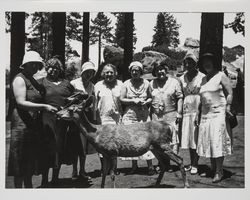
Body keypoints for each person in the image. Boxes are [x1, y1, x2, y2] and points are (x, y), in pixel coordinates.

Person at [8, 51, 58, 188]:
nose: (35, 67)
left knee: (29, 164)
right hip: (21, 126)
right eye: (32, 64)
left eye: (37, 64)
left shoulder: (33, 79)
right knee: (19, 165)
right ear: (25, 65)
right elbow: (21, 102)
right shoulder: (20, 79)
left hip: (33, 126)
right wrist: (44, 106)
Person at [197, 53, 233, 183]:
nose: (207, 64)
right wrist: (198, 113)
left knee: (217, 142)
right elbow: (201, 99)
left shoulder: (221, 76)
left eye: (209, 61)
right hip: (206, 115)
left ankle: (219, 171)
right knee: (209, 142)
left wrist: (228, 107)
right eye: (204, 62)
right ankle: (212, 168)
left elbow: (230, 93)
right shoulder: (204, 79)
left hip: (219, 114)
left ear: (214, 62)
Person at [39, 57, 74, 186]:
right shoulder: (42, 82)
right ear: (47, 68)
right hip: (47, 120)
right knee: (47, 148)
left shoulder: (66, 83)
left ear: (60, 70)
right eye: (50, 67)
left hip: (63, 121)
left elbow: (74, 97)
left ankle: (55, 178)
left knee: (59, 148)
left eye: (56, 68)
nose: (53, 70)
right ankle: (44, 180)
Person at [120, 61, 155, 175]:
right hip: (130, 115)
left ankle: (150, 166)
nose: (135, 72)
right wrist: (133, 101)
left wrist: (146, 102)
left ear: (141, 71)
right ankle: (134, 166)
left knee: (146, 140)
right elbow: (121, 99)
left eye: (137, 70)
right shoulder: (126, 83)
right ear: (130, 71)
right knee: (132, 141)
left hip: (143, 115)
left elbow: (151, 97)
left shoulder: (146, 83)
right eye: (133, 70)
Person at [149, 61, 183, 172]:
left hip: (170, 114)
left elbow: (180, 97)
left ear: (166, 70)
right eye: (157, 70)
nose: (160, 72)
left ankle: (173, 163)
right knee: (158, 140)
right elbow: (149, 98)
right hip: (156, 116)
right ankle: (162, 163)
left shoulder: (174, 82)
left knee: (170, 139)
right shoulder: (151, 84)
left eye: (162, 69)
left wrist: (179, 112)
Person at [70, 61, 97, 180]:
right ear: (82, 72)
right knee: (76, 144)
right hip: (75, 117)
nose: (89, 74)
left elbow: (93, 101)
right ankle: (74, 171)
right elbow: (69, 99)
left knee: (84, 144)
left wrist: (94, 117)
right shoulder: (73, 83)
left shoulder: (92, 85)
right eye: (87, 72)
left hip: (86, 116)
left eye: (91, 72)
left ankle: (82, 170)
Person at [179, 52, 205, 175]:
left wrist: (200, 111)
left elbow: (205, 94)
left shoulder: (202, 77)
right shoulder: (181, 78)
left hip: (198, 107)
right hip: (186, 109)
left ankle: (195, 164)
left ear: (196, 63)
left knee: (196, 137)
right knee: (189, 137)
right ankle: (191, 162)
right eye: (187, 62)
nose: (189, 65)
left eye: (191, 62)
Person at [95, 64, 123, 174]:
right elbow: (95, 103)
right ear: (103, 74)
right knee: (102, 144)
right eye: (107, 72)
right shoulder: (98, 85)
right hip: (102, 118)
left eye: (111, 72)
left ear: (115, 73)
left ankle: (113, 168)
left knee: (114, 144)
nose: (109, 74)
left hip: (116, 118)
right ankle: (104, 168)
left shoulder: (120, 84)